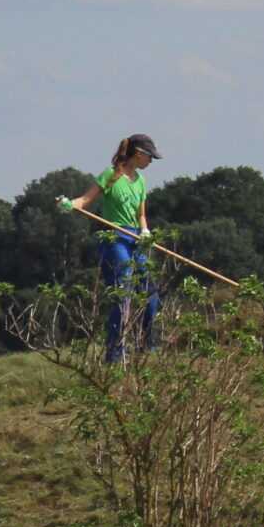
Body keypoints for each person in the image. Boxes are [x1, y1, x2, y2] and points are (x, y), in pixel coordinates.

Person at [60, 133, 163, 364]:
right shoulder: (111, 175)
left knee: (151, 294)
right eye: (150, 157)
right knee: (123, 290)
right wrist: (69, 204)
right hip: (115, 237)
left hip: (136, 238)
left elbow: (141, 215)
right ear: (139, 154)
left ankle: (147, 346)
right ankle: (115, 354)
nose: (151, 162)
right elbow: (85, 201)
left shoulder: (141, 181)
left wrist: (145, 231)